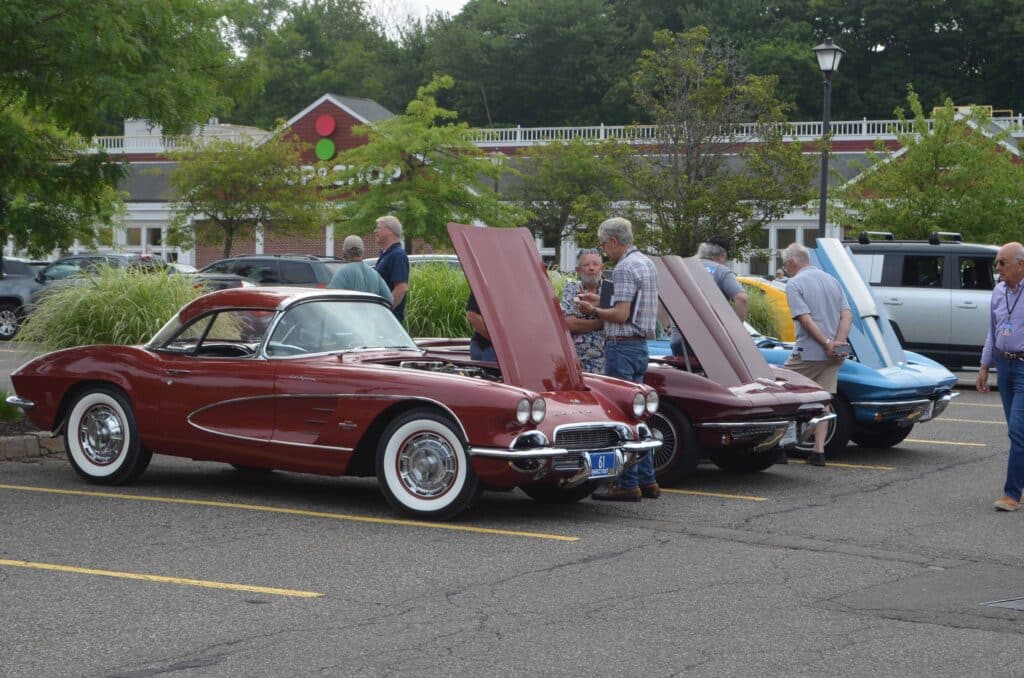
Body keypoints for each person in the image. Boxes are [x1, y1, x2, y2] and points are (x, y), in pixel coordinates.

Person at [575, 217, 660, 501]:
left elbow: (621, 315)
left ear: (613, 241)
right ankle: (648, 479)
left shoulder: (623, 268)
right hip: (640, 345)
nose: (603, 251)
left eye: (603, 244)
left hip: (621, 345)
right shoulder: (646, 263)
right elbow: (631, 307)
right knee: (640, 414)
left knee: (621, 414)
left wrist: (592, 309)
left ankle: (627, 482)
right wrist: (601, 302)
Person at [780, 242, 852, 467]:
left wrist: (826, 342)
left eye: (785, 264)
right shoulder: (831, 280)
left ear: (791, 263)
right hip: (835, 355)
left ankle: (780, 447)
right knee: (824, 400)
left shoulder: (794, 283)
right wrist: (838, 343)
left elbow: (804, 318)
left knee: (781, 390)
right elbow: (846, 314)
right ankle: (819, 450)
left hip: (809, 351)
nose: (785, 268)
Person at [977, 241, 1024, 512]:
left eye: (1002, 263)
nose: (998, 268)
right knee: (1016, 431)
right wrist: (984, 366)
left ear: (1020, 265)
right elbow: (992, 332)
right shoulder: (998, 292)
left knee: (1018, 431)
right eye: (997, 263)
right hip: (1004, 367)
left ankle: (1011, 494)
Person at [671, 236, 748, 356]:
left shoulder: (681, 268)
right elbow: (741, 299)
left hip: (679, 339)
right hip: (710, 341)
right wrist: (735, 330)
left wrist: (667, 327)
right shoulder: (721, 271)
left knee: (684, 374)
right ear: (721, 256)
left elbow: (661, 296)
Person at [560, 248, 607, 373]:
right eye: (586, 265)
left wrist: (588, 317)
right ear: (578, 270)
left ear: (602, 268)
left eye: (595, 264)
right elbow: (569, 324)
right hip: (578, 360)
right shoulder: (571, 288)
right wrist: (601, 322)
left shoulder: (611, 289)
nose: (591, 268)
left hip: (607, 360)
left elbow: (619, 318)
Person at [327, 235, 392, 304]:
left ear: (344, 253)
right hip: (371, 314)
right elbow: (389, 299)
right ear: (363, 252)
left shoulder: (342, 272)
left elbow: (330, 300)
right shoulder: (375, 274)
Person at [372, 215, 409, 324]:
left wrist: (384, 310)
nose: (375, 231)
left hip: (389, 322)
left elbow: (401, 288)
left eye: (378, 228)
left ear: (389, 231)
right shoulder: (386, 255)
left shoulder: (397, 255)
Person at [466, 292, 497, 362]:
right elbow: (472, 316)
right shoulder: (488, 284)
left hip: (489, 349)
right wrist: (499, 342)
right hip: (489, 350)